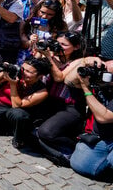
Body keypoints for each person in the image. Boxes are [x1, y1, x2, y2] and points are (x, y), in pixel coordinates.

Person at [35, 31, 86, 166]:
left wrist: (49, 58)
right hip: (51, 103)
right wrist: (40, 52)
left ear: (76, 47)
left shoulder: (79, 62)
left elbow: (59, 77)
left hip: (71, 107)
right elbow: (36, 68)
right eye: (58, 43)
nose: (59, 46)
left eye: (64, 44)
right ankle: (55, 150)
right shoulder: (55, 58)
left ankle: (76, 147)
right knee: (28, 128)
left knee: (45, 132)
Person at [0, 56, 51, 148]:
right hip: (0, 104)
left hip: (17, 110)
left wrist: (12, 85)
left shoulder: (42, 91)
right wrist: (4, 72)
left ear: (40, 75)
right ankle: (9, 130)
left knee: (19, 115)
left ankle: (19, 138)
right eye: (23, 69)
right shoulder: (16, 73)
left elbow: (17, 105)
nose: (23, 72)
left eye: (29, 72)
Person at [69, 61, 113, 179]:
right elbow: (68, 80)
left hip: (110, 138)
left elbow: (103, 117)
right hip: (101, 136)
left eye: (106, 73)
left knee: (94, 168)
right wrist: (84, 63)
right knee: (78, 164)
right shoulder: (100, 83)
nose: (101, 74)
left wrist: (85, 87)